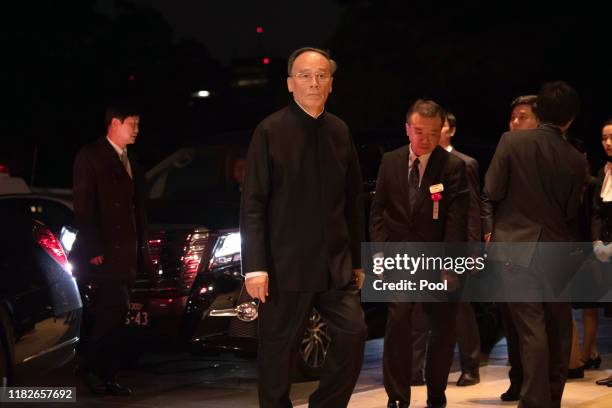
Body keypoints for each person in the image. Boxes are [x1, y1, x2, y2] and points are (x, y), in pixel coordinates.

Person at [240, 47, 367, 408]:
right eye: (305, 76)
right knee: (278, 354)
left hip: (336, 264)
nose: (314, 82)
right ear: (290, 84)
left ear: (331, 83)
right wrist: (255, 266)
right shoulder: (270, 130)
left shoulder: (340, 130)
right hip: (285, 266)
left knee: (354, 333)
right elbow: (253, 203)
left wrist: (357, 260)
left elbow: (353, 201)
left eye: (322, 75)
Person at [483, 81, 587, 408]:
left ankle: (534, 401)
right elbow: (572, 210)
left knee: (530, 329)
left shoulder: (512, 142)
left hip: (515, 246)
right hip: (557, 249)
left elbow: (492, 189)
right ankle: (551, 399)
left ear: (539, 111)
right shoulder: (576, 158)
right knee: (558, 329)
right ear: (570, 118)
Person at [370, 99, 468, 408]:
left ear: (442, 132)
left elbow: (456, 219)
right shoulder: (391, 160)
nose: (425, 139)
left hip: (437, 259)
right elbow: (379, 210)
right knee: (398, 323)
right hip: (398, 256)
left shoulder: (453, 166)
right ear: (408, 129)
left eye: (433, 132)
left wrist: (450, 266)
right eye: (419, 131)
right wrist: (378, 254)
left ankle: (436, 394)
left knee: (440, 328)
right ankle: (397, 396)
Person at [70, 99, 151, 396]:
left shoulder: (129, 160)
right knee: (110, 313)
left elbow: (136, 209)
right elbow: (84, 206)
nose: (136, 130)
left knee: (118, 315)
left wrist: (143, 251)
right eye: (132, 124)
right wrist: (94, 249)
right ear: (115, 123)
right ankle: (92, 369)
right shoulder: (91, 156)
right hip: (104, 255)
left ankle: (105, 374)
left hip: (126, 253)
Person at [481, 94, 540, 401]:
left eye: (523, 117)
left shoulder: (554, 152)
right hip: (509, 248)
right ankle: (517, 379)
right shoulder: (505, 150)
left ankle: (537, 384)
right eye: (513, 117)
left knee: (537, 325)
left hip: (544, 249)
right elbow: (488, 196)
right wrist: (489, 233)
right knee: (512, 323)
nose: (515, 123)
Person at [439, 111, 482, 387]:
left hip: (459, 247)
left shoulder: (465, 163)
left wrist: (474, 251)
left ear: (451, 130)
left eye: (440, 126)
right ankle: (421, 368)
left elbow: (473, 209)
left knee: (461, 309)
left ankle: (471, 366)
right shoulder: (425, 162)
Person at [591, 118, 612, 387]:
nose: (608, 142)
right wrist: (596, 242)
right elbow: (596, 212)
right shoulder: (602, 171)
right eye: (605, 137)